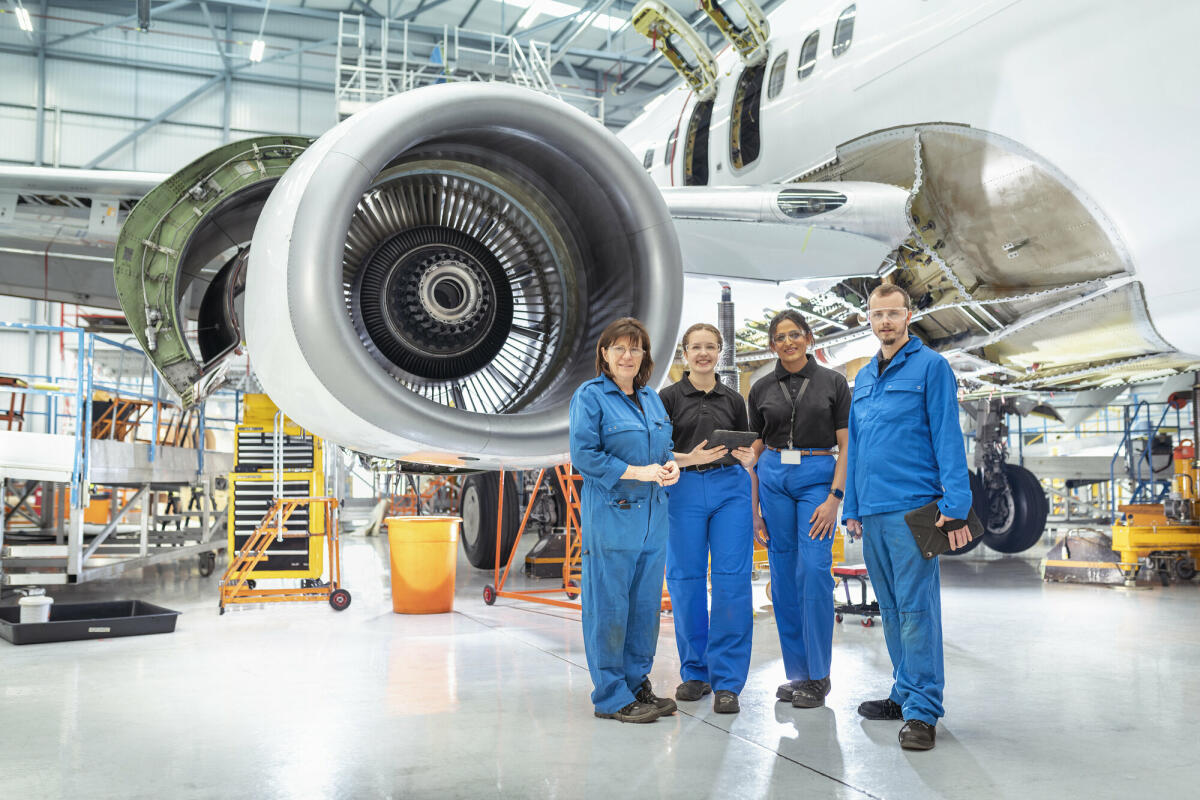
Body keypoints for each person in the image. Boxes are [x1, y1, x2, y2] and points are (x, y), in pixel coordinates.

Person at [842, 283, 974, 751]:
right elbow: (856, 445)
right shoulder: (864, 376)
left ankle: (923, 711)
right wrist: (852, 506)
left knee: (917, 611)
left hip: (915, 508)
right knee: (892, 610)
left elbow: (947, 436)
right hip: (873, 510)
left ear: (909, 316)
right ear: (870, 319)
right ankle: (903, 692)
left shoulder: (931, 368)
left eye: (893, 314)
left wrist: (955, 507)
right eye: (877, 315)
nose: (885, 323)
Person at [569, 317, 680, 723]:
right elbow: (585, 455)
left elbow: (664, 450)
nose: (628, 355)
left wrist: (671, 468)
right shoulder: (591, 397)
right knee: (609, 607)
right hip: (613, 519)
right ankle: (611, 696)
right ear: (605, 354)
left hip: (653, 520)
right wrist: (637, 472)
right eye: (619, 347)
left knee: (645, 607)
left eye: (635, 348)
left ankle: (636, 683)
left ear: (644, 356)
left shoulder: (652, 399)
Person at [748, 310, 850, 710]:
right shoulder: (760, 388)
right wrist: (754, 508)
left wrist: (835, 497)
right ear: (772, 344)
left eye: (794, 335)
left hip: (816, 477)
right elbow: (755, 448)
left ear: (808, 338)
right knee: (784, 576)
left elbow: (847, 445)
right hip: (773, 476)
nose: (787, 342)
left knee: (813, 570)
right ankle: (798, 673)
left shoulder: (833, 382)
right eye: (779, 337)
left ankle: (820, 674)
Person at [659, 323, 757, 714]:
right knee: (685, 580)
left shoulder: (734, 399)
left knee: (732, 581)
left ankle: (728, 681)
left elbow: (744, 445)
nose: (703, 353)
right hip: (682, 489)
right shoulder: (666, 398)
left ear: (720, 352)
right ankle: (695, 672)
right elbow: (659, 450)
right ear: (684, 353)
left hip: (729, 489)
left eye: (710, 347)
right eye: (695, 347)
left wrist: (749, 459)